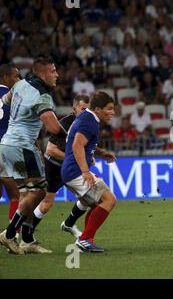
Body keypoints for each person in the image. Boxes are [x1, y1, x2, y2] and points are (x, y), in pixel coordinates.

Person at [0, 57, 63, 255]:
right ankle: (9, 234)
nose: (57, 75)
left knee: (27, 193)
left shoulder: (19, 84)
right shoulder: (42, 95)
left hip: (8, 144)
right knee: (39, 192)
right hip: (22, 146)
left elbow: (5, 100)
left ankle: (27, 240)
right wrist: (70, 138)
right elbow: (52, 127)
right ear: (42, 73)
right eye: (53, 71)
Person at [61, 91, 117, 252]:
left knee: (98, 204)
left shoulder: (87, 117)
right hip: (76, 171)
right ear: (98, 109)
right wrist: (85, 172)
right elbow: (77, 145)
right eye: (109, 108)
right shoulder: (90, 121)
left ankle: (87, 239)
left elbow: (83, 143)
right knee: (109, 200)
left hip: (71, 170)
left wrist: (102, 153)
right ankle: (85, 239)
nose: (112, 112)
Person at [31, 95, 90, 239]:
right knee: (46, 205)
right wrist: (76, 158)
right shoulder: (65, 123)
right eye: (82, 109)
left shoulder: (88, 123)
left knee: (87, 199)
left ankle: (68, 224)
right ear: (74, 109)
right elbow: (50, 150)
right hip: (54, 167)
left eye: (88, 110)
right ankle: (23, 234)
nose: (85, 113)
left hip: (70, 168)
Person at [0, 64, 21, 225]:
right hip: (5, 150)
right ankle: (11, 237)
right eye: (16, 76)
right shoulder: (14, 98)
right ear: (5, 78)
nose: (18, 79)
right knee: (16, 195)